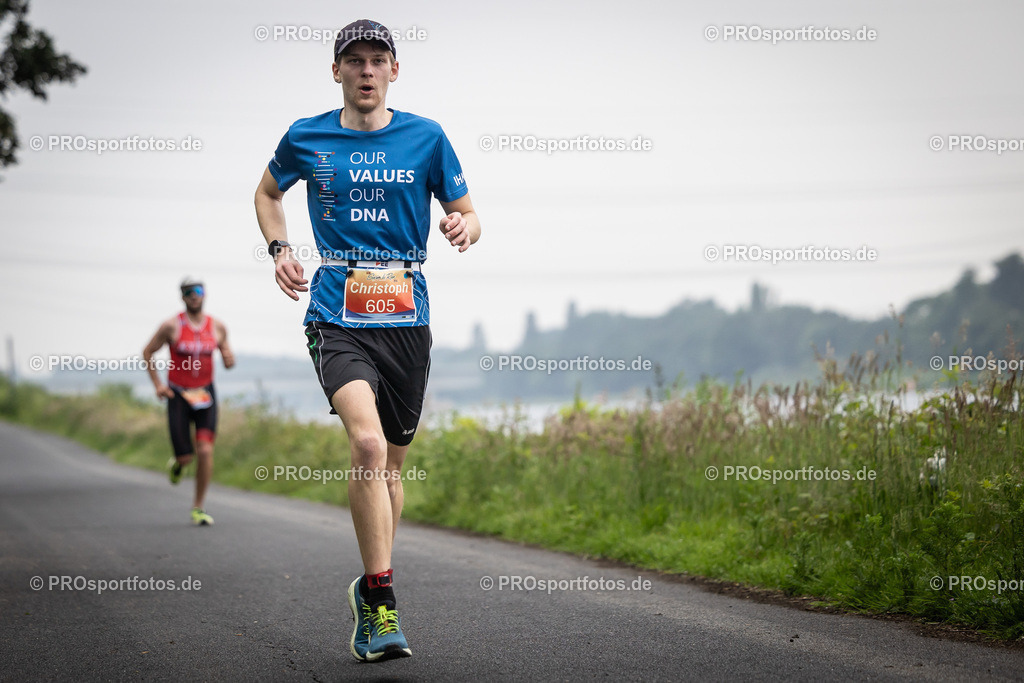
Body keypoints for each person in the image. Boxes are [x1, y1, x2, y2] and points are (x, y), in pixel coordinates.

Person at [254, 19, 480, 663]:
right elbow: (267, 193)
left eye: (378, 60)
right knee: (367, 444)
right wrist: (279, 249)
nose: (366, 70)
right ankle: (382, 601)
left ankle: (369, 583)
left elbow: (471, 213)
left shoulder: (427, 137)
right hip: (336, 311)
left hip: (407, 316)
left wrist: (462, 228)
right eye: (354, 60)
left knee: (392, 469)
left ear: (394, 71)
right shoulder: (307, 136)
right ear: (336, 72)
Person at [143, 278, 235, 526]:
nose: (195, 295)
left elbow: (228, 358)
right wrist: (158, 385)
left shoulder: (217, 326)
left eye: (199, 291)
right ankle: (179, 462)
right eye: (189, 292)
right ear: (182, 297)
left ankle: (199, 507)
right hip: (178, 395)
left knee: (205, 450)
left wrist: (229, 359)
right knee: (186, 458)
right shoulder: (170, 326)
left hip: (206, 394)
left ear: (205, 294)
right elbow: (148, 352)